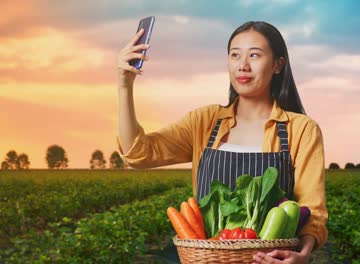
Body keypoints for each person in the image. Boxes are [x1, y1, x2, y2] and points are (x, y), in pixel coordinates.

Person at [116, 21, 327, 264]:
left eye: (254, 55)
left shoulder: (300, 129)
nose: (243, 65)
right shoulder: (204, 122)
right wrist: (124, 86)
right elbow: (139, 154)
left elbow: (313, 211)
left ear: (278, 65)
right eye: (235, 55)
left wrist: (303, 254)